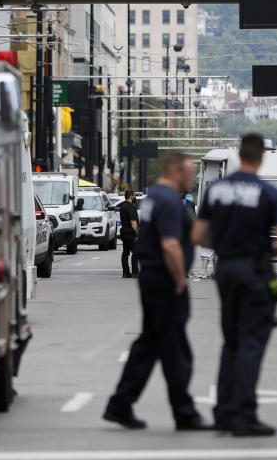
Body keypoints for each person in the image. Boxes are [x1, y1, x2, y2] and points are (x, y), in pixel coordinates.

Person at [193, 134, 277, 436]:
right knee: (251, 342)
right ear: (261, 157)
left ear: (238, 154)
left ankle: (224, 410)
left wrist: (225, 243)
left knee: (232, 340)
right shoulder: (268, 193)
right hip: (254, 270)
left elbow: (198, 235)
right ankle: (244, 415)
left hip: (226, 269)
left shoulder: (217, 191)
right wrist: (264, 249)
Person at [104, 153, 210, 432]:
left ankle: (120, 403)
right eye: (189, 173)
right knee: (175, 349)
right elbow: (171, 245)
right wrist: (179, 280)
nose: (193, 179)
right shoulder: (168, 201)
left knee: (150, 345)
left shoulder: (154, 198)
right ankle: (183, 412)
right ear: (175, 172)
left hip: (153, 278)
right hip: (164, 280)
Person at [119, 190, 140, 278]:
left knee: (125, 253)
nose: (135, 197)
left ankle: (126, 272)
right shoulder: (131, 207)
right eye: (134, 195)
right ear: (131, 196)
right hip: (131, 233)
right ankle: (135, 272)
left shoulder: (122, 206)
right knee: (136, 252)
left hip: (124, 232)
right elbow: (133, 221)